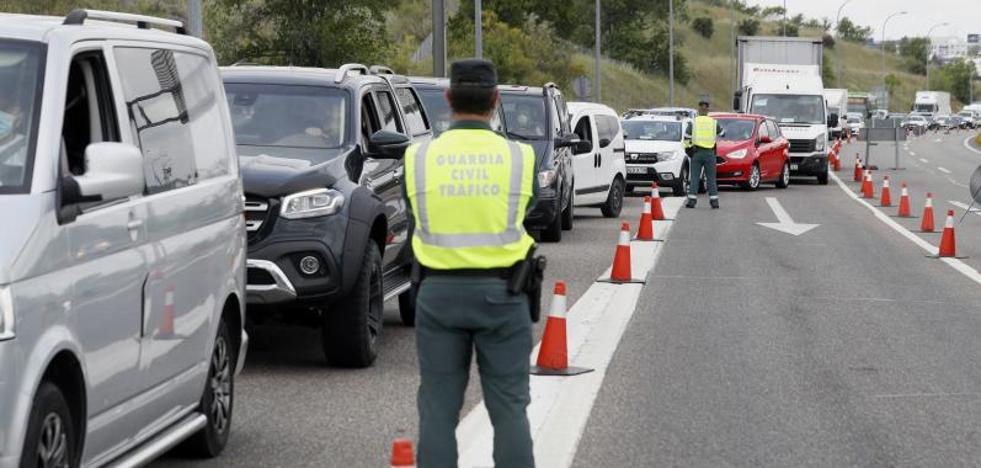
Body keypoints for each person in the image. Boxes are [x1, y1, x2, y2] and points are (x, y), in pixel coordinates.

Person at [403, 59, 539, 468]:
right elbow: (525, 209)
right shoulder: (520, 157)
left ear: (447, 99)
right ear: (496, 101)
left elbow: (414, 217)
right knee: (510, 410)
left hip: (437, 295)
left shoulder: (418, 157)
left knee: (438, 412)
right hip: (504, 294)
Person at [685, 95, 725, 209]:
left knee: (694, 178)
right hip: (710, 154)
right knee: (711, 178)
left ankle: (692, 201)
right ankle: (714, 202)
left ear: (699, 108)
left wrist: (688, 149)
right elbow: (723, 134)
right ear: (708, 109)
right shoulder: (713, 122)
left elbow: (687, 137)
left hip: (696, 153)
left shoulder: (693, 122)